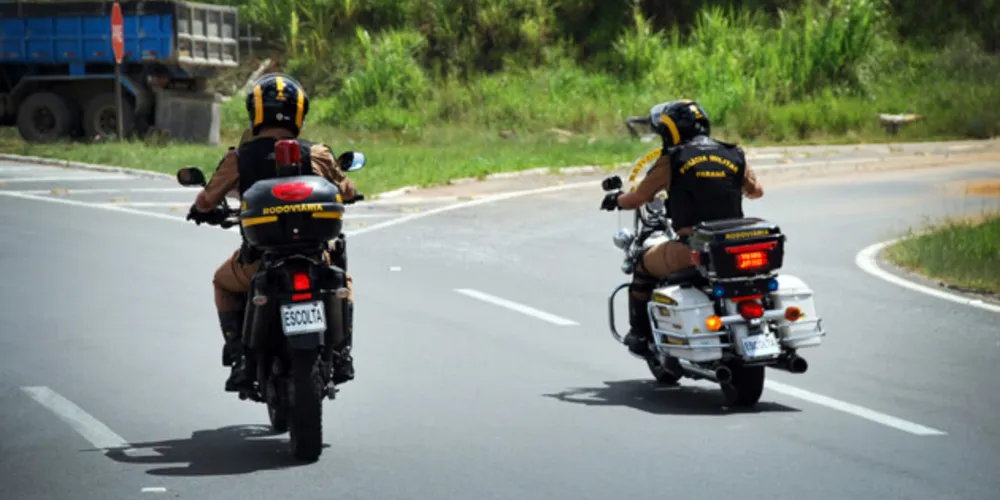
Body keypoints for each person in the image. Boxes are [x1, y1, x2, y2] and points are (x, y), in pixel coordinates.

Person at [186, 73, 360, 392]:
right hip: (315, 258)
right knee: (343, 282)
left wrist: (203, 209)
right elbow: (348, 191)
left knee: (222, 281)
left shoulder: (238, 158)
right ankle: (342, 354)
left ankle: (239, 355)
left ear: (256, 113)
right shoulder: (318, 154)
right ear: (298, 113)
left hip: (259, 262)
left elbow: (206, 200)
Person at [600, 100, 764, 357]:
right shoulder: (733, 153)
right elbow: (757, 191)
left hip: (692, 247)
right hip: (734, 245)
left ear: (670, 131)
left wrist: (616, 199)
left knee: (643, 264)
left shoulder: (673, 159)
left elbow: (636, 199)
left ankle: (639, 334)